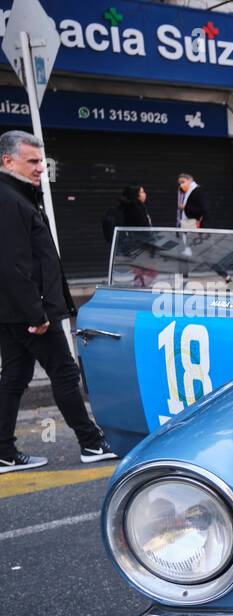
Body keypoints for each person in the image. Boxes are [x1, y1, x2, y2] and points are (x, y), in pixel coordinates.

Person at [0, 130, 117, 473]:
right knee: (65, 372)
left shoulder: (19, 196)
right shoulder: (9, 200)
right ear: (8, 161)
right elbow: (12, 264)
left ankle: (3, 452)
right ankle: (91, 443)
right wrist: (36, 312)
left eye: (41, 161)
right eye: (32, 161)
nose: (40, 168)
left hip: (16, 310)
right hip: (30, 311)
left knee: (16, 376)